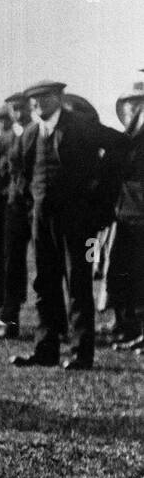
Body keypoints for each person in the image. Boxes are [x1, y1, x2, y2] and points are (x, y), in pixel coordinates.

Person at [11, 80, 126, 370]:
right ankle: (46, 349)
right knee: (44, 284)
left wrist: (101, 195)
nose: (36, 104)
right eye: (33, 100)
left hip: (80, 223)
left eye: (43, 98)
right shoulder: (30, 134)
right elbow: (20, 171)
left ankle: (81, 353)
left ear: (59, 98)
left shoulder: (81, 126)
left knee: (79, 283)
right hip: (42, 221)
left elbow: (121, 145)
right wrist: (32, 201)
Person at [0, 94, 33, 338]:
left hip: (37, 207)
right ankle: (10, 319)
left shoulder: (39, 132)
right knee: (10, 264)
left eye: (22, 108)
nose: (18, 113)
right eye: (14, 109)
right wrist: (2, 192)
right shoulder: (4, 140)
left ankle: (56, 324)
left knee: (49, 265)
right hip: (12, 207)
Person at [106, 76, 144, 352]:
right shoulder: (129, 137)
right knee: (124, 274)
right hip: (127, 215)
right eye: (128, 105)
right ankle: (130, 326)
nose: (131, 109)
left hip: (139, 214)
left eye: (137, 104)